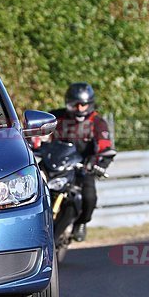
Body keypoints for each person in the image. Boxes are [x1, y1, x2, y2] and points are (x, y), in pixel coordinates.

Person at [48, 82, 114, 242]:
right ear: (67, 103)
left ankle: (82, 222)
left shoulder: (97, 123)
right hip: (56, 167)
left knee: (89, 197)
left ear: (90, 104)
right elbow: (38, 136)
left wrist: (98, 163)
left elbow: (105, 147)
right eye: (74, 104)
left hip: (83, 168)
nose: (79, 109)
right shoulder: (56, 117)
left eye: (83, 105)